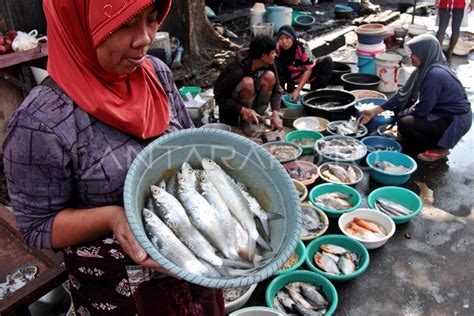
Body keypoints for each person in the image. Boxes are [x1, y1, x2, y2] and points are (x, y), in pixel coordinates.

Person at [2, 0, 224, 315]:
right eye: (124, 24)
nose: (145, 38)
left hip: (195, 267)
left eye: (150, 19)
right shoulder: (41, 122)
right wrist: (113, 217)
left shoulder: (155, 74)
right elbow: (38, 226)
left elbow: (188, 147)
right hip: (120, 296)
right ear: (78, 24)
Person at [361, 34, 472, 162]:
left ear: (424, 52)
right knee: (401, 108)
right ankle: (419, 138)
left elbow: (422, 110)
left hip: (453, 120)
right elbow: (402, 94)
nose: (410, 56)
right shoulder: (424, 68)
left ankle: (438, 147)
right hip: (440, 112)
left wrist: (401, 115)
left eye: (413, 53)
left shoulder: (435, 74)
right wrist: (374, 111)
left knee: (405, 122)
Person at [214, 35, 283, 136]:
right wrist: (243, 110)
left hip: (252, 104)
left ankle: (258, 117)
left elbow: (277, 89)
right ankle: (245, 121)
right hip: (233, 110)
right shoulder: (236, 70)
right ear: (263, 56)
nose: (275, 55)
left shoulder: (268, 63)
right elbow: (219, 97)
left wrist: (275, 113)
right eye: (273, 52)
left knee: (270, 76)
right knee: (248, 82)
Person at [275, 25, 334, 102]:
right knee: (275, 63)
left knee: (326, 61)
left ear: (292, 38)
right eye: (281, 39)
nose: (284, 42)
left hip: (305, 72)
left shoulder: (302, 45)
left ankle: (317, 93)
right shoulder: (277, 48)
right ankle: (283, 93)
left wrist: (298, 90)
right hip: (289, 75)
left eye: (287, 38)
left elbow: (308, 68)